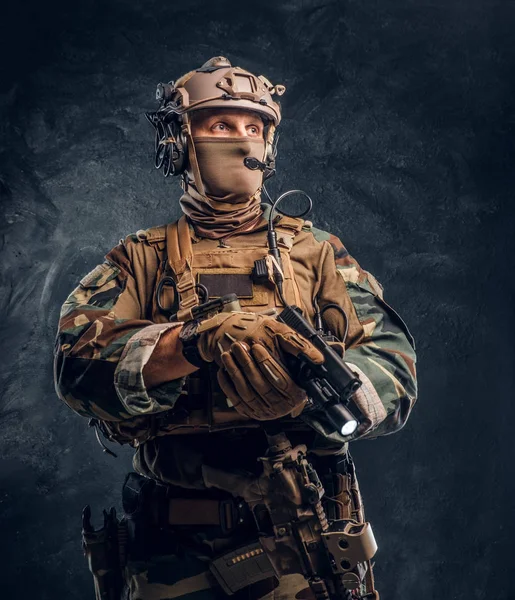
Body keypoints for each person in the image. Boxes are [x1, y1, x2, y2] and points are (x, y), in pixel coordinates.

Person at [54, 56, 417, 600]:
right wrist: (193, 344)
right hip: (171, 548)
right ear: (181, 140)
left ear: (270, 145)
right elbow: (78, 365)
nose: (240, 139)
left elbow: (393, 366)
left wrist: (313, 386)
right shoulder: (139, 259)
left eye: (254, 127)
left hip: (304, 540)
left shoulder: (316, 252)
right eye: (220, 124)